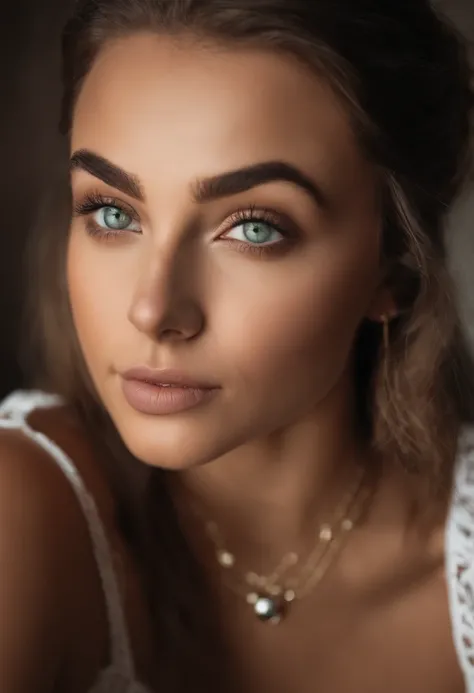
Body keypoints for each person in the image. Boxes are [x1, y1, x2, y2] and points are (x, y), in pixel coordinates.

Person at [1, 0, 474, 690]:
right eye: (112, 212)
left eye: (253, 229)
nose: (154, 308)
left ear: (394, 265)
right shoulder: (21, 513)